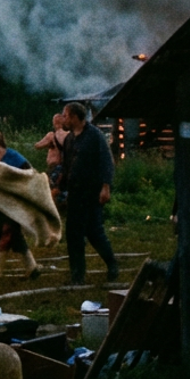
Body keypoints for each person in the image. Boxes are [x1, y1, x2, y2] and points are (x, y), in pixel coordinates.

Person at [59, 102, 119, 284]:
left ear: (76, 117)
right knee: (73, 234)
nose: (64, 119)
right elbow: (67, 167)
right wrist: (60, 187)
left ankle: (112, 264)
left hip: (92, 192)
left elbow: (106, 162)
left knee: (94, 232)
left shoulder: (94, 136)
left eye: (66, 115)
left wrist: (105, 187)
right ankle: (77, 276)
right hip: (75, 193)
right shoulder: (69, 139)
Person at [0, 130, 40, 279]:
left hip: (14, 204)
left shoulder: (14, 158)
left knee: (5, 234)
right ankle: (32, 268)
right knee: (7, 235)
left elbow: (28, 176)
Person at [35, 112, 68, 189]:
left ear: (54, 122)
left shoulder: (51, 135)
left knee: (49, 189)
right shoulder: (68, 134)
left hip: (54, 167)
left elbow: (37, 146)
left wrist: (48, 144)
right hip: (64, 167)